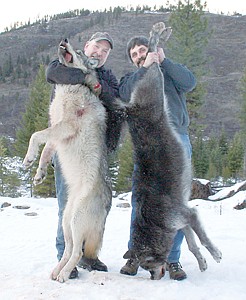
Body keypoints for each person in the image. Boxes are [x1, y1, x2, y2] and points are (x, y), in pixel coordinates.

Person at [119, 36, 196, 281]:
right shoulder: (133, 79)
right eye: (135, 54)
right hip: (148, 146)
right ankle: (136, 253)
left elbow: (190, 82)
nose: (140, 54)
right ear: (133, 61)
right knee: (141, 201)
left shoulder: (170, 72)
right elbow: (123, 92)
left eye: (143, 50)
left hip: (177, 140)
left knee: (177, 203)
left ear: (153, 50)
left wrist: (164, 61)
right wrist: (143, 70)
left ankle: (172, 259)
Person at [46, 32, 120, 279]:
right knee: (68, 204)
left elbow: (114, 99)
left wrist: (96, 84)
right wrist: (86, 76)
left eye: (105, 51)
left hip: (95, 150)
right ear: (86, 46)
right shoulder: (65, 62)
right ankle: (66, 256)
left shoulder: (107, 76)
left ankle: (89, 254)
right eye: (96, 47)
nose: (99, 52)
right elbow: (54, 73)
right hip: (68, 148)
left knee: (97, 206)